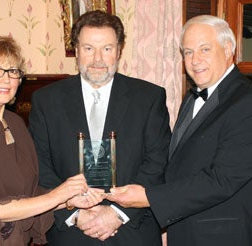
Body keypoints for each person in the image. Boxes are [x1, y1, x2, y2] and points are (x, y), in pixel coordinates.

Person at [108, 15, 252, 246]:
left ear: (228, 49)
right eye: (188, 52)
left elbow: (221, 180)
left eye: (204, 49)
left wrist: (149, 198)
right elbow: (180, 166)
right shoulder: (192, 97)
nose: (195, 60)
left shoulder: (251, 106)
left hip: (231, 237)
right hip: (190, 232)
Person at [0, 35, 104, 246]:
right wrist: (57, 195)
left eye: (13, 71)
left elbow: (31, 195)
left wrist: (69, 200)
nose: (6, 79)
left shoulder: (16, 123)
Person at [28, 10, 171, 246]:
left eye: (106, 48)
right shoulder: (46, 100)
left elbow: (158, 163)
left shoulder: (149, 98)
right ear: (76, 50)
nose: (97, 59)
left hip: (132, 231)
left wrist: (116, 214)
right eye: (88, 48)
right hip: (69, 233)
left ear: (119, 50)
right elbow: (39, 166)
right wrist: (75, 214)